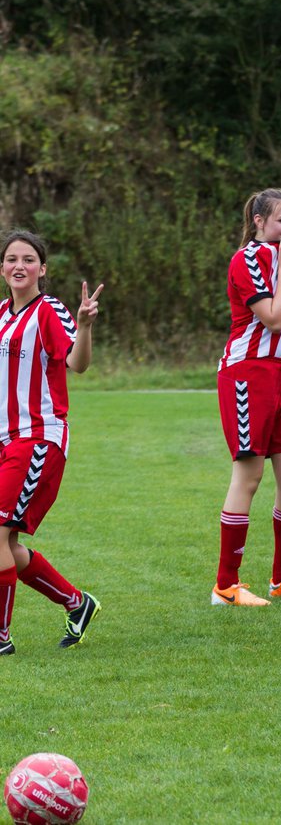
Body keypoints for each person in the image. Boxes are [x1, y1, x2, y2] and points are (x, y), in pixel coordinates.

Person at [213, 189, 281, 606]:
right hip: (247, 374)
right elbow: (274, 319)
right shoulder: (246, 260)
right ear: (259, 221)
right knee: (250, 476)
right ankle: (225, 585)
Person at [0, 230, 102, 655]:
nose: (18, 265)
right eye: (10, 259)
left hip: (38, 439)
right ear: (3, 268)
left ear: (42, 269)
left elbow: (77, 364)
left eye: (28, 259)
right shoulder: (2, 313)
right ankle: (77, 603)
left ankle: (0, 638)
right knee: (7, 544)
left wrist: (85, 326)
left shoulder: (50, 310)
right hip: (5, 440)